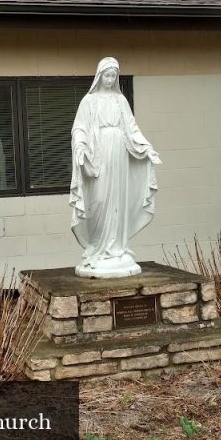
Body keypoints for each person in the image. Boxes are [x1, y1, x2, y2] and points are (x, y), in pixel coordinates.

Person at [70, 57, 161, 278]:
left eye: (114, 76)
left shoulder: (121, 101)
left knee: (118, 199)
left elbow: (132, 127)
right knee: (100, 199)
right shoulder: (89, 101)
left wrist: (147, 148)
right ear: (99, 76)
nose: (110, 80)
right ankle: (99, 247)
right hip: (99, 153)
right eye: (107, 75)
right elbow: (79, 127)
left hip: (119, 152)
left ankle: (117, 248)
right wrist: (80, 148)